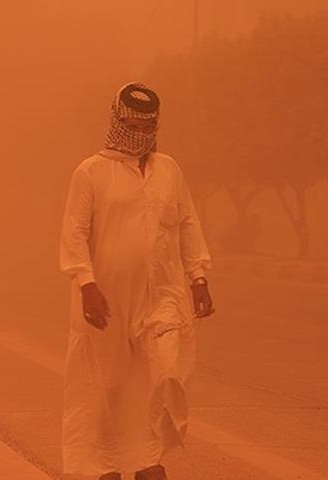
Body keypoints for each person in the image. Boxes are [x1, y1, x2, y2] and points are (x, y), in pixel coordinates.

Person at [59, 82, 214, 480]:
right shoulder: (90, 172)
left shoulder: (169, 170)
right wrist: (86, 284)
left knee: (164, 374)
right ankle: (105, 466)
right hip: (106, 299)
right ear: (116, 121)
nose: (140, 134)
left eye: (148, 126)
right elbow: (74, 233)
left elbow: (187, 223)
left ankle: (148, 459)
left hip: (162, 295)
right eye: (132, 124)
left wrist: (198, 276)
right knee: (106, 386)